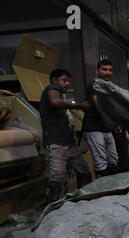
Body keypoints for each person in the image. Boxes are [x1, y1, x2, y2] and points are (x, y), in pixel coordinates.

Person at [40, 69, 92, 203]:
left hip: (69, 144)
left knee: (84, 171)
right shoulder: (50, 90)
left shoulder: (61, 99)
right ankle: (52, 206)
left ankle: (84, 199)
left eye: (68, 81)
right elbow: (54, 102)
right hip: (56, 143)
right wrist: (79, 105)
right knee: (57, 175)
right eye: (64, 80)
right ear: (54, 81)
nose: (67, 83)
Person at [82, 59, 119, 178]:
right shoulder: (95, 85)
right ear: (97, 71)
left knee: (114, 160)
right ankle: (102, 191)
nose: (107, 72)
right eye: (104, 69)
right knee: (101, 162)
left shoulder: (108, 87)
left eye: (110, 70)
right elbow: (99, 106)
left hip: (106, 128)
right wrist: (114, 121)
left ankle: (113, 188)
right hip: (94, 128)